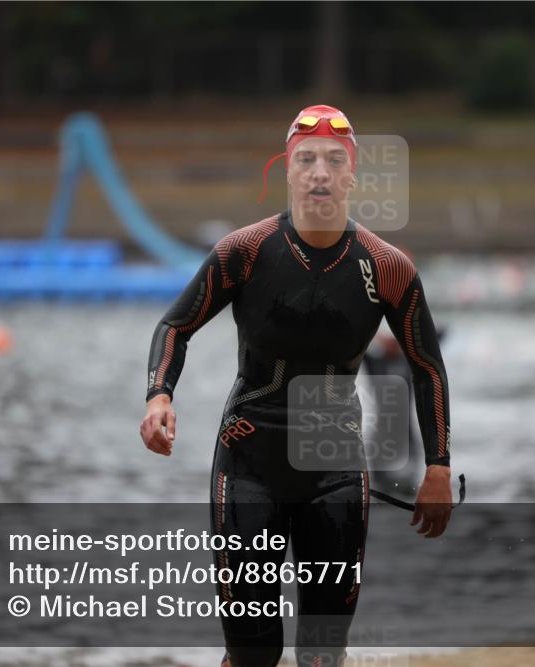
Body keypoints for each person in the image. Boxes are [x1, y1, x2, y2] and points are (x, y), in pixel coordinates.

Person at [140, 104, 453, 667]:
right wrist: (159, 395)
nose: (319, 173)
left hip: (336, 465)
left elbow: (427, 366)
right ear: (287, 170)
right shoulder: (245, 251)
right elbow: (175, 326)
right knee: (253, 652)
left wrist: (437, 466)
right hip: (248, 460)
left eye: (334, 160)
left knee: (322, 653)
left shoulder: (388, 268)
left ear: (352, 175)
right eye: (306, 159)